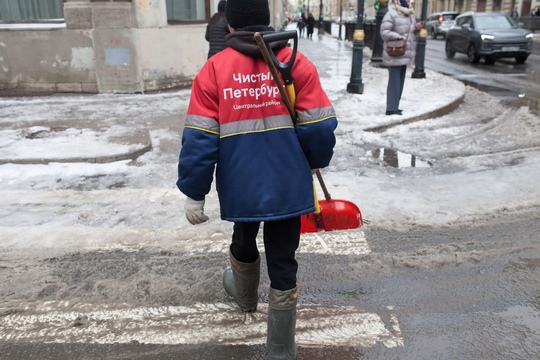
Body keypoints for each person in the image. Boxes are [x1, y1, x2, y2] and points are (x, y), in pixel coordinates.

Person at [176, 0, 338, 357]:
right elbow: (321, 125)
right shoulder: (295, 62)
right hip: (287, 180)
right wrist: (313, 161)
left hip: (240, 181)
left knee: (244, 236)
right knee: (283, 256)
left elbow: (200, 138)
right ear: (267, 20)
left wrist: (194, 190)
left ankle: (246, 297)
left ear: (229, 24)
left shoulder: (214, 69)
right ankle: (280, 348)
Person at [380, 0, 423, 116]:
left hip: (404, 53)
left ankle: (395, 106)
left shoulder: (409, 15)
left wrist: (416, 28)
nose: (409, 2)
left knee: (400, 81)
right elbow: (384, 32)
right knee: (394, 81)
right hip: (394, 52)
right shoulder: (391, 14)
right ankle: (391, 108)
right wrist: (399, 37)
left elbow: (409, 31)